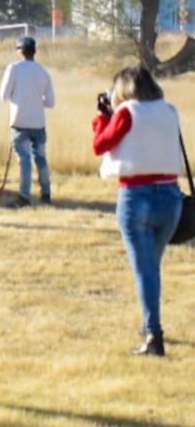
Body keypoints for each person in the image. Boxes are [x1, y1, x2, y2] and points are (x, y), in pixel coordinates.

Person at [91, 66, 185, 356]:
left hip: (136, 195)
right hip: (171, 195)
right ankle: (149, 323)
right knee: (151, 267)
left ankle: (153, 334)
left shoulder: (127, 112)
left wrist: (102, 118)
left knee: (145, 270)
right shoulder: (169, 111)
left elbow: (100, 144)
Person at [0, 36, 56, 206]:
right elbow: (51, 102)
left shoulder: (13, 68)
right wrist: (37, 101)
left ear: (19, 51)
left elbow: (3, 96)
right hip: (38, 123)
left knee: (24, 160)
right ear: (34, 52)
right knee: (41, 158)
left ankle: (24, 196)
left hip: (20, 122)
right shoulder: (43, 72)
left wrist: (19, 97)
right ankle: (46, 194)